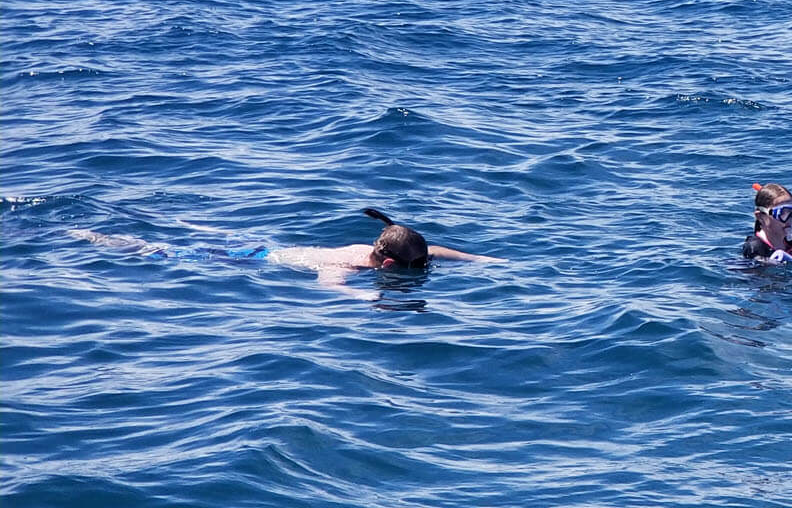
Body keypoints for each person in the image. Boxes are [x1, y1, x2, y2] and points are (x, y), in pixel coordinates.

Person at [71, 208, 503, 301]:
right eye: (418, 267)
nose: (424, 266)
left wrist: (483, 262)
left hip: (269, 248)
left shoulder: (376, 247)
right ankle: (95, 237)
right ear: (388, 266)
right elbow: (330, 286)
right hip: (248, 261)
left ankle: (182, 217)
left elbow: (432, 250)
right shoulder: (346, 265)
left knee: (205, 234)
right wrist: (371, 299)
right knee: (161, 252)